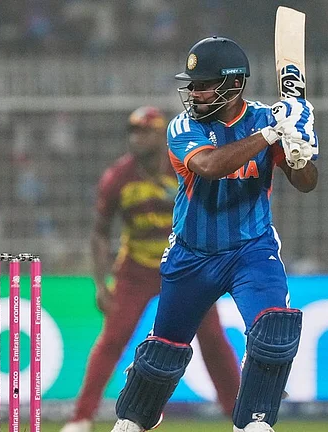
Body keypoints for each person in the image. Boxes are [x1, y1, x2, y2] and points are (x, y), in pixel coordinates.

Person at [108, 36, 319, 432]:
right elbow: (208, 166)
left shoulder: (272, 118)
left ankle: (254, 422)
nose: (194, 92)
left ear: (234, 83)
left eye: (203, 84)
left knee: (274, 330)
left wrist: (297, 148)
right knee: (163, 352)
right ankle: (135, 418)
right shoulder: (183, 126)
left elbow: (306, 182)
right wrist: (272, 134)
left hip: (251, 249)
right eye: (192, 84)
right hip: (193, 252)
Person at [60, 106, 241, 432]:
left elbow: (213, 213)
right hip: (136, 271)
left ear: (161, 135)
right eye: (134, 131)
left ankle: (240, 415)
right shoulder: (118, 178)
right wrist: (101, 285)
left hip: (186, 269)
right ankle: (81, 418)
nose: (137, 138)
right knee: (112, 340)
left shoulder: (186, 165)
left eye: (145, 131)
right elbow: (100, 233)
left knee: (213, 340)